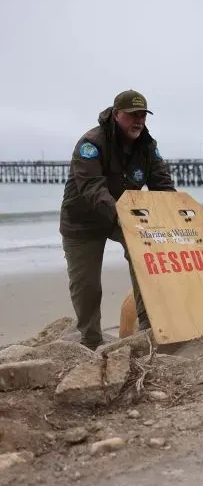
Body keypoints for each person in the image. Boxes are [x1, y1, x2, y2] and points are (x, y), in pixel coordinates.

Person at [59, 89, 176, 350]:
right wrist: (121, 216)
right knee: (87, 285)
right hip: (82, 221)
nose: (138, 121)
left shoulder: (148, 146)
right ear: (116, 114)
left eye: (143, 115)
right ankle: (91, 340)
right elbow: (91, 188)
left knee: (146, 258)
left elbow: (162, 184)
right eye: (133, 115)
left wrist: (176, 214)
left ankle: (148, 327)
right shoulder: (91, 144)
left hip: (122, 217)